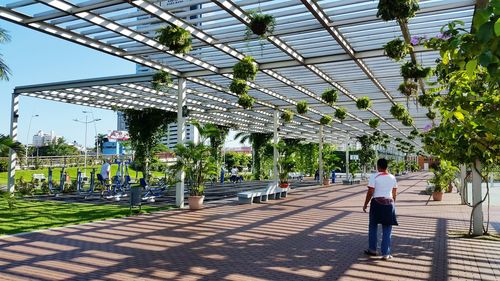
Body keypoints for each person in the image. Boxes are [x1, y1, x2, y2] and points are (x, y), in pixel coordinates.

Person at [363, 158, 398, 261]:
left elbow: (370, 191)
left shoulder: (374, 176)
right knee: (387, 228)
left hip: (376, 203)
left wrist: (365, 204)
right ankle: (386, 254)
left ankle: (372, 249)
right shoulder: (392, 177)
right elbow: (394, 193)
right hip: (389, 203)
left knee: (373, 226)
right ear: (387, 167)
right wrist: (393, 203)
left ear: (378, 166)